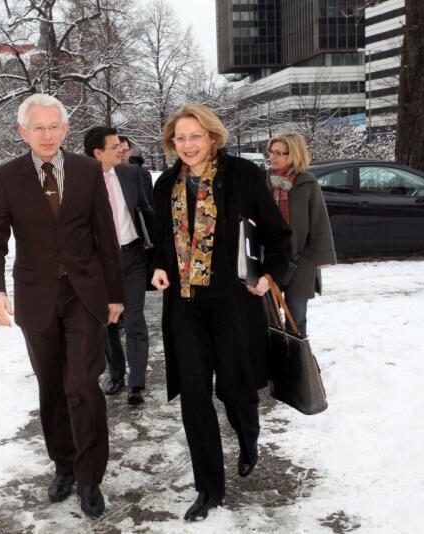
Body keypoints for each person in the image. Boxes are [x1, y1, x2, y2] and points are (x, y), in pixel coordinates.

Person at [0, 94, 124, 518]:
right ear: (23, 133)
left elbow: (105, 238)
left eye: (52, 126)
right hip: (37, 298)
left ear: (65, 130)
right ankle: (64, 465)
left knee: (81, 383)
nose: (45, 134)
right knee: (52, 387)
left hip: (85, 295)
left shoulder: (88, 171)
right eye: (36, 127)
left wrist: (115, 295)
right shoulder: (6, 177)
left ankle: (91, 475)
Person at [149, 103, 291, 521]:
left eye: (195, 136)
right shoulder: (166, 185)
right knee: (194, 397)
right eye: (180, 138)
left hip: (232, 304)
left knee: (235, 389)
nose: (187, 145)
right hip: (185, 307)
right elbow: (160, 241)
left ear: (213, 137)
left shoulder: (243, 177)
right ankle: (209, 488)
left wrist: (269, 275)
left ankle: (248, 436)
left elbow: (277, 235)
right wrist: (159, 266)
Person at [84, 126, 155, 406]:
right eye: (115, 147)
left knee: (135, 319)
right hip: (100, 261)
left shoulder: (132, 173)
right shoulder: (81, 181)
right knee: (108, 321)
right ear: (97, 153)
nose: (122, 150)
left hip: (133, 256)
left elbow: (147, 210)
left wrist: (153, 245)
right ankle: (116, 374)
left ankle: (137, 383)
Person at [266, 132, 336, 337]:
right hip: (269, 260)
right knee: (267, 315)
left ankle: (296, 362)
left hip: (300, 260)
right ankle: (271, 359)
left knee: (296, 317)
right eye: (271, 152)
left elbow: (319, 220)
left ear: (294, 154)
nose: (273, 157)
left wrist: (322, 256)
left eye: (280, 153)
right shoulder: (263, 181)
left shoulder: (306, 182)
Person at [120, 135, 154, 204]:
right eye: (118, 150)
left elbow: (150, 201)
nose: (121, 154)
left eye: (124, 150)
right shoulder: (105, 174)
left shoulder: (143, 174)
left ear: (130, 151)